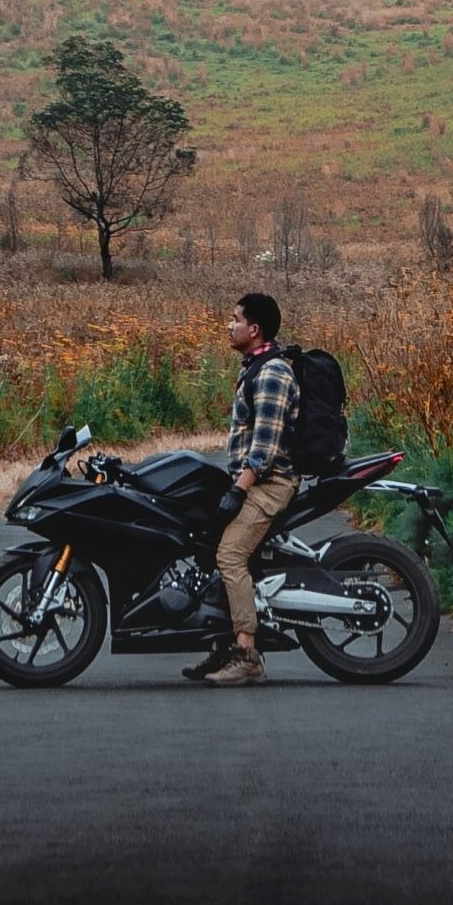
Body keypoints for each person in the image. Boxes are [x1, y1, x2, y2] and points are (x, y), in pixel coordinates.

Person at [185, 293, 301, 687]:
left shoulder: (271, 374)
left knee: (230, 557)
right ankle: (222, 646)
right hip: (257, 481)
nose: (228, 325)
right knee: (207, 544)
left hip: (270, 485)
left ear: (254, 330)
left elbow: (265, 449)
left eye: (235, 319)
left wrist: (239, 489)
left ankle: (247, 654)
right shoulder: (255, 367)